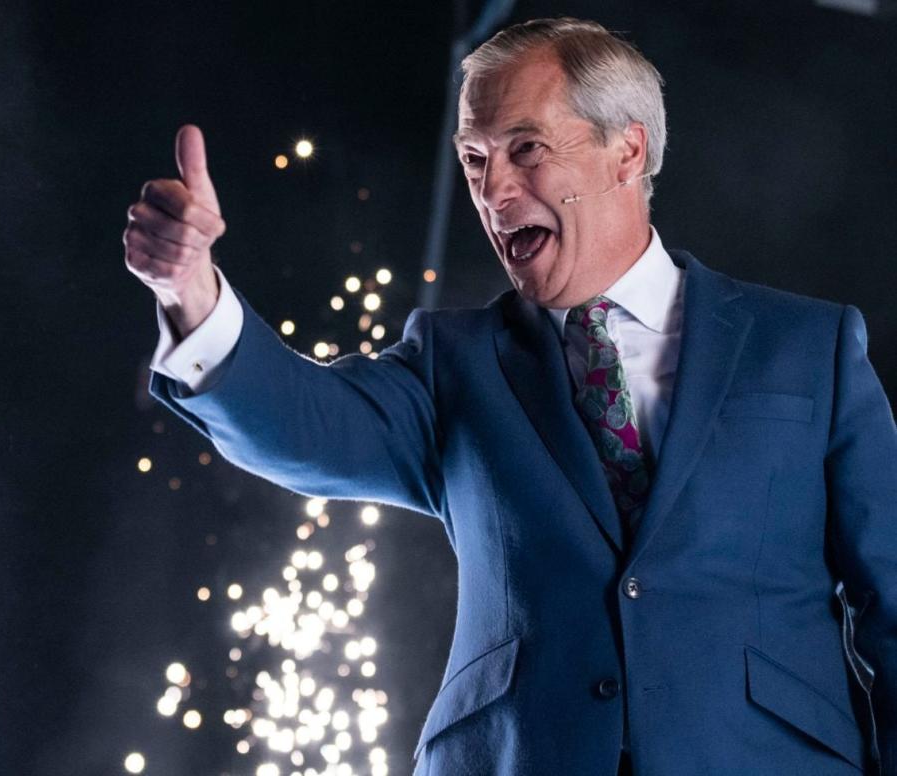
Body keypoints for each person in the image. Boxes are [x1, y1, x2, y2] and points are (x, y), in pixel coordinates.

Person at [123, 17, 894, 776]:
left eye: (525, 149)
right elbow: (302, 422)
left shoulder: (806, 347)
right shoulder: (449, 365)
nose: (493, 189)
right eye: (473, 158)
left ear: (627, 150)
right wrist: (191, 294)